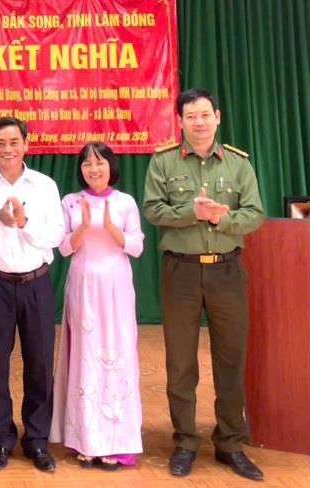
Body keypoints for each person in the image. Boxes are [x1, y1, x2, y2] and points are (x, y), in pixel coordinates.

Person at [143, 88, 265, 481]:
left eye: (205, 115)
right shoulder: (163, 161)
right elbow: (153, 210)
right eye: (191, 116)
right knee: (180, 362)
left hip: (227, 271)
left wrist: (221, 220)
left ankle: (230, 443)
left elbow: (255, 213)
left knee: (231, 358)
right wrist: (190, 212)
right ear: (179, 121)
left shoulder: (238, 163)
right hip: (180, 271)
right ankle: (185, 442)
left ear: (218, 117)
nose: (199, 122)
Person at [0, 117, 64, 472]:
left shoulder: (45, 185)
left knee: (40, 364)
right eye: (0, 143)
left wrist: (23, 223)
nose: (8, 149)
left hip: (37, 284)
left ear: (26, 145)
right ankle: (1, 439)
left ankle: (37, 440)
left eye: (14, 142)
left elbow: (56, 235)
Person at [49, 143, 144, 470]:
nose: (94, 169)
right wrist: (84, 228)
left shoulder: (125, 202)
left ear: (111, 167)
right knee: (85, 357)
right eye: (87, 164)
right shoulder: (70, 202)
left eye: (100, 162)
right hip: (84, 283)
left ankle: (118, 441)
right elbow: (63, 248)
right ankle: (86, 439)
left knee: (119, 357)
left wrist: (112, 228)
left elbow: (137, 247)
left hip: (116, 285)